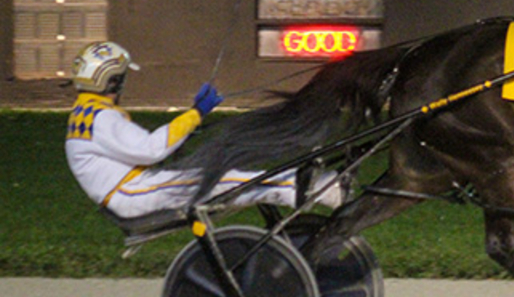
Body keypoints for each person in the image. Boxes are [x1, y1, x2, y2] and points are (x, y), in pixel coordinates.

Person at [65, 41, 342, 219]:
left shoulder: (88, 115)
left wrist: (191, 120)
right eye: (122, 79)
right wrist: (195, 114)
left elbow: (143, 150)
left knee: (225, 176)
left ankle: (306, 184)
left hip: (135, 188)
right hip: (134, 194)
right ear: (112, 83)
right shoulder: (99, 118)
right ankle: (314, 189)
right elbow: (152, 149)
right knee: (224, 180)